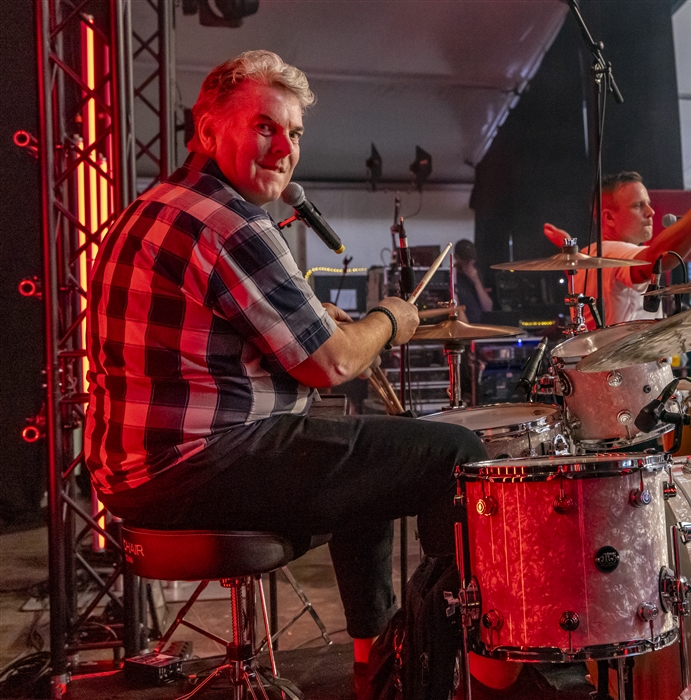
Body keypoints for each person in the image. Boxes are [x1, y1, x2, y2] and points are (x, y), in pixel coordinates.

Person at [82, 51, 487, 686]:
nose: (283, 148)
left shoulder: (155, 204)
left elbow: (217, 337)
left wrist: (315, 323)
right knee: (457, 453)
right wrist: (389, 319)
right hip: (196, 463)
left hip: (132, 474)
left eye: (294, 133)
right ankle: (423, 668)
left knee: (371, 464)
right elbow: (334, 364)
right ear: (210, 130)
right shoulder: (231, 221)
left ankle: (374, 664)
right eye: (265, 127)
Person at [543, 159, 691, 327]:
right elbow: (656, 259)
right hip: (630, 369)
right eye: (638, 205)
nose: (650, 212)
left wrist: (565, 244)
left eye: (648, 203)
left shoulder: (588, 255)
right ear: (608, 218)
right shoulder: (614, 252)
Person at [452, 238, 493, 323]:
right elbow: (455, 308)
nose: (469, 265)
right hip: (464, 327)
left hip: (480, 325)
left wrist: (476, 281)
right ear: (457, 258)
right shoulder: (452, 275)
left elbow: (488, 308)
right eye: (466, 261)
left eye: (471, 261)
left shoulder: (476, 274)